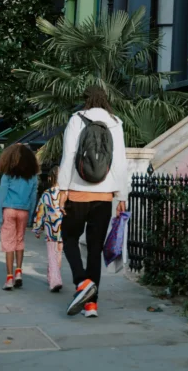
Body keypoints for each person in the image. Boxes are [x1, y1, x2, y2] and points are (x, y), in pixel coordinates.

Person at [58, 85, 127, 317]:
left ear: (85, 100)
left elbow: (68, 156)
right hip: (104, 195)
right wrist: (121, 195)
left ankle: (81, 282)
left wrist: (62, 189)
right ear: (105, 100)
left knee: (68, 238)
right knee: (95, 248)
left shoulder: (77, 119)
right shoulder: (115, 122)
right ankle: (91, 305)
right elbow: (120, 161)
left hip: (78, 191)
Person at [0, 144, 39, 291]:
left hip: (9, 209)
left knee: (8, 244)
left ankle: (9, 278)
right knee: (20, 241)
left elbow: (1, 196)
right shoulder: (32, 177)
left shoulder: (7, 175)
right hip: (24, 211)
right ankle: (19, 272)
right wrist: (31, 215)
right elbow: (33, 197)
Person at [33, 164, 64, 292]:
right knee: (58, 254)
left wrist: (37, 228)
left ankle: (55, 279)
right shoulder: (65, 194)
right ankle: (53, 275)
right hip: (63, 228)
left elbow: (40, 212)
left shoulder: (46, 194)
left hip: (50, 228)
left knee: (51, 254)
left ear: (50, 179)